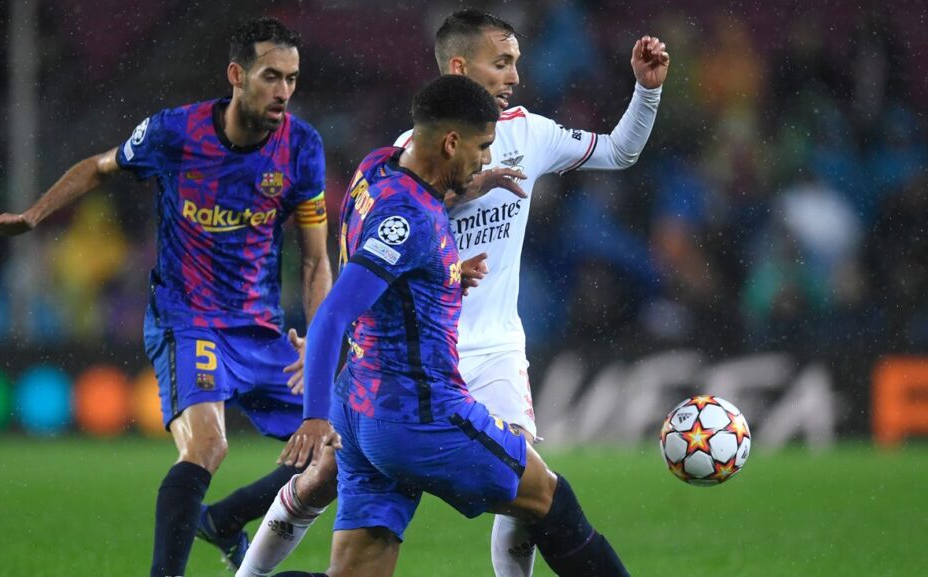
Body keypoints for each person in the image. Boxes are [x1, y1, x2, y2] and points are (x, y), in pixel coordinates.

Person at [241, 8, 669, 577]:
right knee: (544, 496)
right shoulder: (413, 202)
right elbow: (364, 274)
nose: (515, 75)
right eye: (503, 62)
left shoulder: (386, 164)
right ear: (450, 135)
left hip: (436, 366)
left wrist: (645, 91)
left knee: (507, 496)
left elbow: (618, 152)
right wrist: (316, 403)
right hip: (421, 387)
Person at [0, 18, 335, 577]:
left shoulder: (302, 148)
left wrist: (320, 342)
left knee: (340, 447)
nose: (283, 91)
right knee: (207, 447)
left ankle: (225, 519)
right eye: (271, 76)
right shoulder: (175, 132)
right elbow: (98, 167)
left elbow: (315, 261)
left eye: (292, 78)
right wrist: (33, 216)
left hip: (259, 327)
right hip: (188, 319)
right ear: (237, 75)